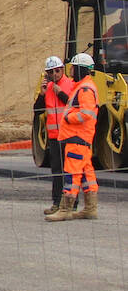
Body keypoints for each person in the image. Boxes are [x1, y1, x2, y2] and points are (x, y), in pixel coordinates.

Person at [50, 52, 100, 221]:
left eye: (73, 68)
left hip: (77, 138)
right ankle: (90, 208)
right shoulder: (82, 86)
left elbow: (86, 113)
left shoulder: (85, 89)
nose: (70, 71)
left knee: (72, 173)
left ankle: (65, 209)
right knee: (86, 173)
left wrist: (68, 118)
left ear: (80, 69)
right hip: (81, 138)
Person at [40, 56, 73, 216]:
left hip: (69, 135)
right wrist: (42, 95)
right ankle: (57, 203)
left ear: (62, 70)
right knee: (57, 170)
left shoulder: (71, 85)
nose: (54, 74)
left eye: (57, 70)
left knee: (70, 170)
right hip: (54, 136)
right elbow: (38, 110)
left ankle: (71, 203)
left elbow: (74, 105)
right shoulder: (48, 87)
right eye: (51, 72)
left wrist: (60, 93)